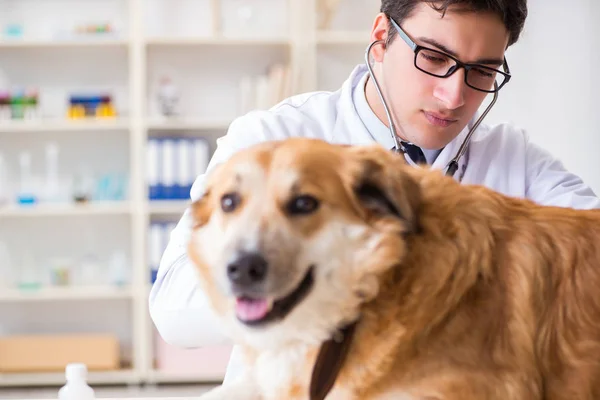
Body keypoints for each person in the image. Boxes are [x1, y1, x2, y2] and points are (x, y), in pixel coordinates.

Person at [149, 0, 600, 384]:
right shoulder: (274, 139)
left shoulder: (513, 161)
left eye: (481, 71)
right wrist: (360, 269)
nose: (453, 96)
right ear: (382, 37)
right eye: (434, 58)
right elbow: (174, 310)